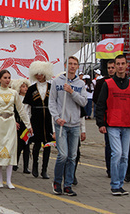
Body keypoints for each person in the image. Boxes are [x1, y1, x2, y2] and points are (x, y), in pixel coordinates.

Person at [96, 55, 130, 196]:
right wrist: (101, 123)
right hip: (112, 124)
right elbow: (101, 104)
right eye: (118, 64)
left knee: (125, 156)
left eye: (123, 63)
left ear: (127, 65)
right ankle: (114, 185)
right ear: (115, 66)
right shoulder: (108, 84)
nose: (120, 66)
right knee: (116, 154)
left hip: (128, 124)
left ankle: (120, 184)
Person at [48, 56, 87, 196]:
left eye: (74, 64)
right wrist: (57, 118)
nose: (72, 66)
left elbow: (83, 102)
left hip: (75, 124)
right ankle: (57, 182)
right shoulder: (56, 82)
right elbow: (51, 102)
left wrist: (72, 92)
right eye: (70, 64)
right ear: (66, 65)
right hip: (61, 124)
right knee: (63, 155)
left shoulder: (81, 84)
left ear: (77, 67)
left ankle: (68, 184)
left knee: (72, 156)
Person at [24, 61, 54, 179]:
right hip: (36, 118)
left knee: (47, 144)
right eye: (36, 73)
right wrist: (28, 123)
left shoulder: (52, 88)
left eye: (41, 73)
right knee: (36, 144)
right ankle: (35, 166)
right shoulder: (31, 89)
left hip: (48, 118)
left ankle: (44, 170)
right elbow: (27, 107)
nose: (39, 75)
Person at [93, 60, 115, 178]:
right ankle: (110, 168)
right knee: (109, 145)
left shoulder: (125, 81)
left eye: (113, 67)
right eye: (109, 67)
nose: (111, 69)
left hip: (121, 118)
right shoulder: (101, 82)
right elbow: (96, 99)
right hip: (107, 118)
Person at [11, 78, 31, 174]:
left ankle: (26, 167)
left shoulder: (29, 98)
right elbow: (13, 111)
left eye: (26, 86)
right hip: (18, 123)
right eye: (23, 86)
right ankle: (15, 163)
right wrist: (15, 121)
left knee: (26, 145)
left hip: (26, 124)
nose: (25, 88)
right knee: (18, 145)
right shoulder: (16, 98)